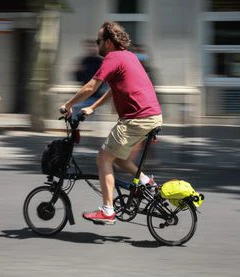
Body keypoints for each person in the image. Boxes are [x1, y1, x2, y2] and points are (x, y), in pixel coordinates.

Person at [61, 21, 163, 225]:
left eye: (99, 41)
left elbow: (91, 86)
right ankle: (147, 183)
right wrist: (92, 107)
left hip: (137, 118)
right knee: (118, 157)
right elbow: (114, 89)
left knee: (103, 157)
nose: (97, 44)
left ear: (108, 42)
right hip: (150, 116)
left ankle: (107, 210)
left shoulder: (112, 58)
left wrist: (69, 104)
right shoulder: (128, 56)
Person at [72, 39, 107, 118]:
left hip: (96, 95)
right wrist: (77, 72)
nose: (90, 49)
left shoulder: (100, 61)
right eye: (88, 47)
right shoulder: (84, 60)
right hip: (86, 94)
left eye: (92, 46)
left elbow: (104, 78)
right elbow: (79, 78)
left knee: (93, 117)